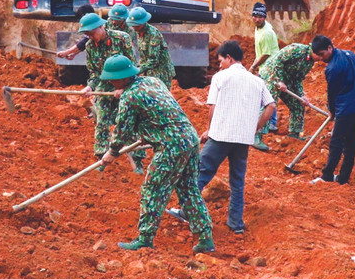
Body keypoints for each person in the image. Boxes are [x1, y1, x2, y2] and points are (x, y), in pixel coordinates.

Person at [99, 55, 215, 253]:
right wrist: (149, 132)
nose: (110, 82)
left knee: (153, 189)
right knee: (188, 189)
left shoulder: (130, 96)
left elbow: (122, 130)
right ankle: (205, 238)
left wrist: (112, 152)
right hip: (189, 138)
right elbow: (158, 109)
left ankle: (145, 238)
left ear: (122, 77)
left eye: (112, 79)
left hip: (171, 145)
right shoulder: (153, 80)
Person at [167, 40, 274, 235]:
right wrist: (254, 129)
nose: (220, 64)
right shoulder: (257, 81)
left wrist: (209, 129)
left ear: (229, 58)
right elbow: (271, 106)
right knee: (237, 181)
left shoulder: (220, 77)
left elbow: (212, 107)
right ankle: (236, 225)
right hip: (243, 138)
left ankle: (186, 212)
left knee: (198, 173)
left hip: (221, 135)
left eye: (221, 60)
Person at [311, 35, 355, 185]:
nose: (322, 58)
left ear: (330, 47)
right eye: (319, 55)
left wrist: (332, 110)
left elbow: (332, 93)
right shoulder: (349, 53)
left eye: (323, 54)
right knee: (352, 143)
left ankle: (327, 176)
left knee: (336, 142)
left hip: (346, 109)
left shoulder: (332, 68)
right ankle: (343, 178)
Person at [76, 13, 134, 161]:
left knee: (127, 119)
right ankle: (101, 155)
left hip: (125, 85)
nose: (90, 37)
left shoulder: (121, 38)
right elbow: (95, 73)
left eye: (92, 33)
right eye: (87, 34)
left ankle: (136, 153)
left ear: (101, 27)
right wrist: (90, 87)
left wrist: (124, 87)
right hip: (105, 86)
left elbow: (131, 66)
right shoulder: (89, 47)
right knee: (102, 119)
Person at [255, 41, 317, 150]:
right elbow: (278, 60)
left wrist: (301, 95)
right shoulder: (296, 49)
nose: (321, 58)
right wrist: (279, 80)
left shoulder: (310, 62)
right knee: (270, 103)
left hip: (285, 79)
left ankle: (294, 134)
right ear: (313, 50)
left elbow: (297, 78)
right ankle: (256, 134)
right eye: (320, 55)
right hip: (272, 74)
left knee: (298, 104)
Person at [57, 3, 132, 60]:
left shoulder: (127, 32)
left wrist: (67, 52)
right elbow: (85, 42)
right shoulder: (107, 24)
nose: (115, 21)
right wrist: (73, 53)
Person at [127, 6, 174, 88]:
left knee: (160, 98)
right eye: (133, 25)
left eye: (136, 25)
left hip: (161, 73)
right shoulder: (139, 32)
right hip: (149, 72)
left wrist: (137, 70)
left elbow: (153, 60)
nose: (134, 28)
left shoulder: (153, 34)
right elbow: (143, 55)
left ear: (143, 22)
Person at [250, 2, 279, 133]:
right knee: (264, 94)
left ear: (265, 17)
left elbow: (266, 54)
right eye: (255, 16)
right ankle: (266, 121)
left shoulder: (267, 33)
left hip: (270, 68)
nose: (257, 19)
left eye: (260, 17)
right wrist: (253, 66)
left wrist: (253, 66)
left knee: (268, 95)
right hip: (263, 67)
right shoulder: (258, 28)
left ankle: (272, 123)